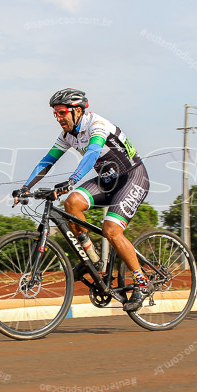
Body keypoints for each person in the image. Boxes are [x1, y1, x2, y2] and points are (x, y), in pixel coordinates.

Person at [13, 88, 152, 311]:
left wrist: (71, 180)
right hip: (108, 180)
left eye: (61, 112)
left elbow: (93, 153)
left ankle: (142, 281)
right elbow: (47, 161)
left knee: (111, 230)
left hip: (132, 177)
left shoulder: (97, 125)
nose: (58, 118)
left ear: (77, 110)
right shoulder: (68, 135)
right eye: (55, 114)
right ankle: (94, 261)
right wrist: (25, 187)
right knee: (72, 204)